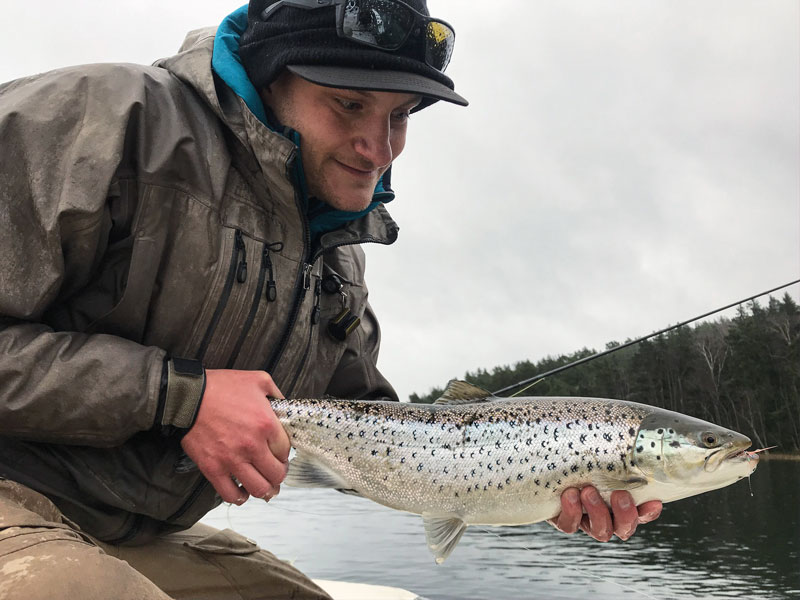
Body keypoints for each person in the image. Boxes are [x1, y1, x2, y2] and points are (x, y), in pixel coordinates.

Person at [0, 0, 662, 598]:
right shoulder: (102, 119)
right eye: (349, 104)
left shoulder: (335, 257)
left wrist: (534, 483)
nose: (379, 149)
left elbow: (370, 426)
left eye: (399, 116)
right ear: (269, 74)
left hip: (123, 530)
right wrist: (183, 397)